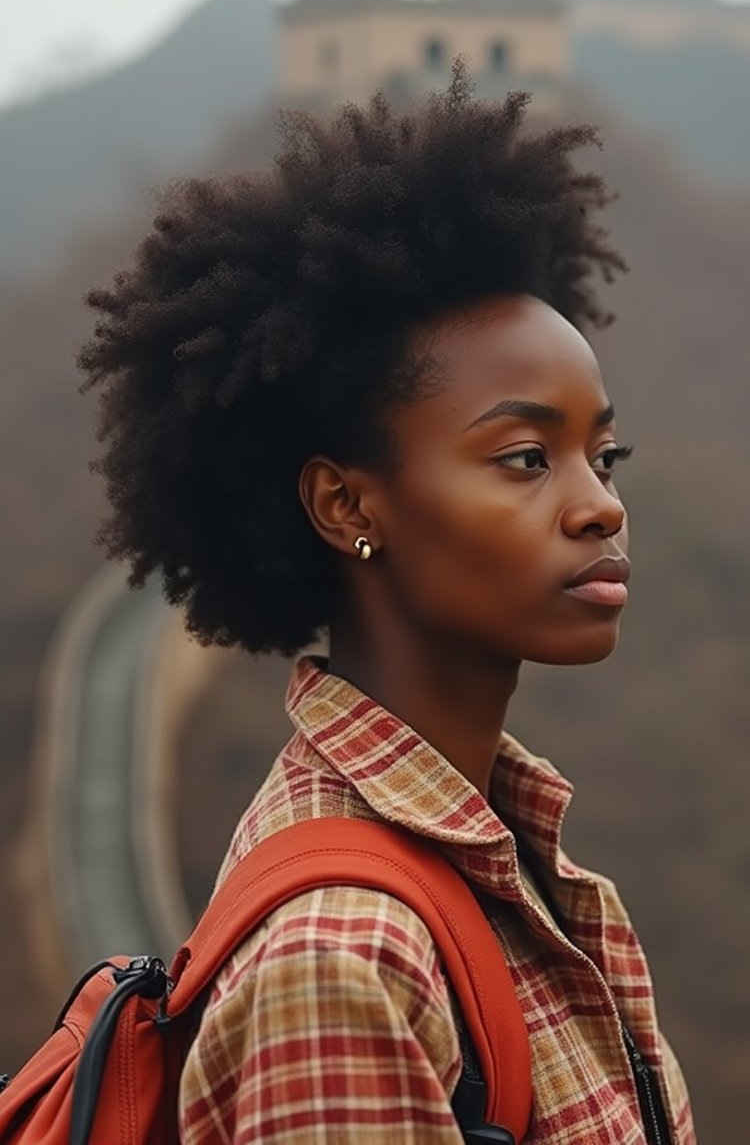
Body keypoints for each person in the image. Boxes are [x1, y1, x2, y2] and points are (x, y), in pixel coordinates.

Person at [78, 65, 698, 1144]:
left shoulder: (517, 863)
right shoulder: (340, 964)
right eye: (522, 457)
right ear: (345, 504)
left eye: (604, 456)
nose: (600, 508)